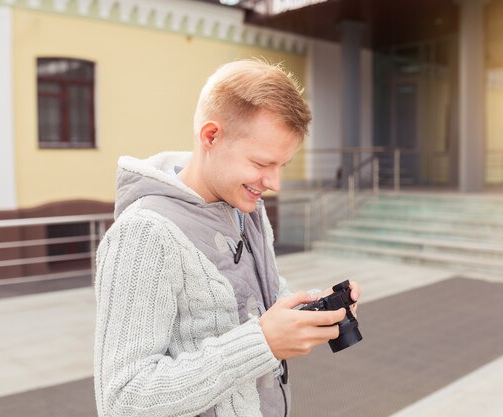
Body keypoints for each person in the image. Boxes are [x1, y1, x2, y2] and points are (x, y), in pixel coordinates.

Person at [93, 59, 360, 417]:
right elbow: (123, 401)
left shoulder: (246, 209)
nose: (274, 183)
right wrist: (262, 342)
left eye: (282, 165)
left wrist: (313, 310)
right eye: (262, 163)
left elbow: (256, 302)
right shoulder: (143, 234)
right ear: (211, 136)